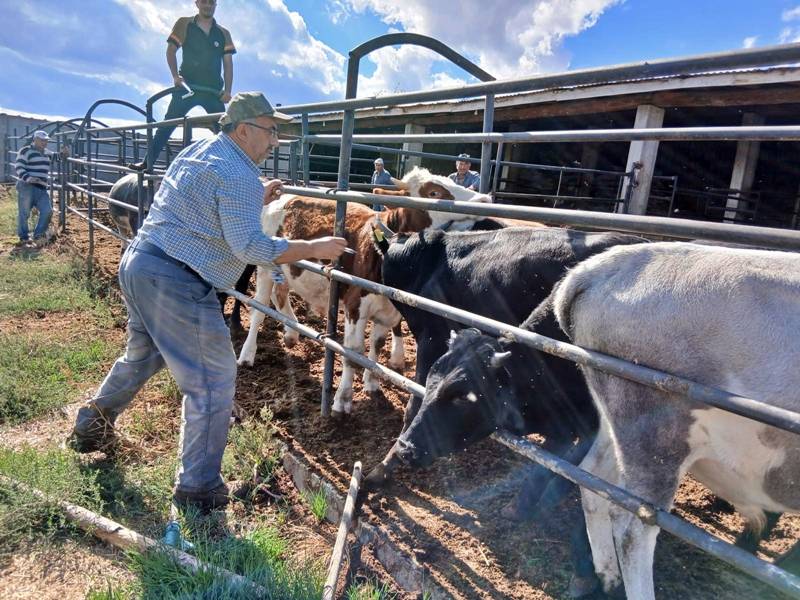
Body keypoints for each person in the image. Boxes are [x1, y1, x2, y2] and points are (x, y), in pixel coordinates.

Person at [66, 92, 348, 512]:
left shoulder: (201, 151)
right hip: (179, 281)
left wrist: (255, 197)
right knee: (213, 380)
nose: (275, 141)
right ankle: (198, 492)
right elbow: (252, 247)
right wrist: (315, 247)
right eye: (271, 131)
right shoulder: (237, 173)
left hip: (142, 263)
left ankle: (90, 427)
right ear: (244, 129)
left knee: (141, 357)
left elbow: (210, 201)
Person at [132, 0, 236, 171]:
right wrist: (175, 76)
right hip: (187, 88)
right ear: (197, 3)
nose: (208, 5)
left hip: (212, 92)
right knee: (168, 124)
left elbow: (228, 64)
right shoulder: (184, 24)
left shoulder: (223, 33)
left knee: (225, 131)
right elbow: (171, 50)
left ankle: (232, 169)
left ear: (216, 4)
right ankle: (147, 163)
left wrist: (228, 91)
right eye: (204, 2)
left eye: (211, 2)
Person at [14, 130, 64, 246]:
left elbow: (57, 157)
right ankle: (24, 238)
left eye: (46, 141)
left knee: (47, 211)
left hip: (41, 187)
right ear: (35, 140)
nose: (44, 142)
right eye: (42, 140)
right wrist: (28, 178)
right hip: (27, 186)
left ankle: (38, 236)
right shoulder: (26, 150)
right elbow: (19, 166)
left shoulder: (46, 153)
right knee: (24, 213)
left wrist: (64, 153)